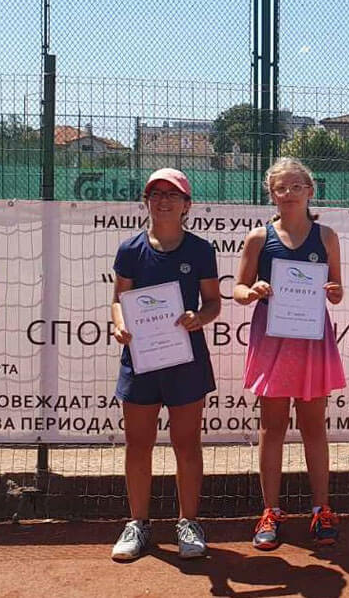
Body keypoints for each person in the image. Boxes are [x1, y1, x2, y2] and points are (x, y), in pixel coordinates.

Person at [234, 157, 347, 550]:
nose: (288, 193)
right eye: (280, 187)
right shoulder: (258, 238)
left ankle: (321, 510)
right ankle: (270, 511)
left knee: (314, 427)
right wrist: (252, 292)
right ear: (272, 194)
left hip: (312, 339)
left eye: (296, 186)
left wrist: (334, 291)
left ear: (310, 191)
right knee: (273, 427)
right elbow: (238, 289)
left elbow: (337, 289)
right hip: (272, 339)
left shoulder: (326, 236)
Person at [109, 168, 221, 561]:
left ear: (187, 205)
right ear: (146, 202)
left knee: (186, 444)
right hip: (140, 360)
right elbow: (118, 300)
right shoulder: (130, 250)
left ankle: (188, 523)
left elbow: (213, 303)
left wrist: (198, 318)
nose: (163, 200)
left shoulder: (202, 251)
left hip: (185, 361)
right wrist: (120, 325)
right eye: (155, 194)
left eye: (172, 194)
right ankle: (137, 524)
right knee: (138, 445)